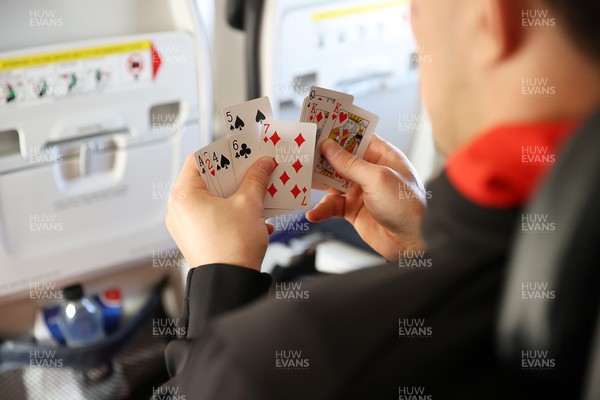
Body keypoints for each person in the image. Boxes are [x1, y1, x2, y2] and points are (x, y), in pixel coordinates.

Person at [161, 0, 600, 398]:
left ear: (492, 17)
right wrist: (425, 250)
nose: (412, 22)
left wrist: (218, 283)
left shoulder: (270, 364)